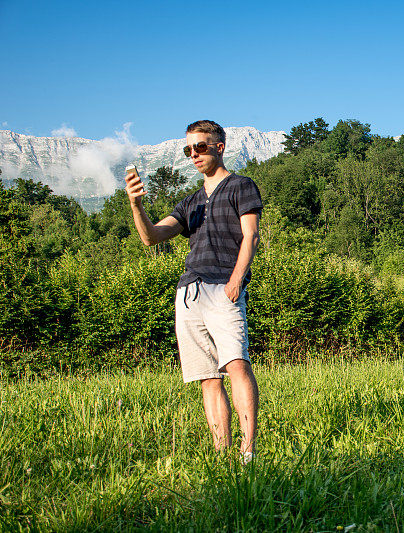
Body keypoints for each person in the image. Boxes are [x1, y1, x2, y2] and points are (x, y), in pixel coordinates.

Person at [125, 120, 261, 462]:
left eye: (200, 146)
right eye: (189, 149)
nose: (194, 154)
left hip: (223, 289)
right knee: (207, 378)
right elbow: (151, 237)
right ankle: (222, 456)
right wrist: (137, 206)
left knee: (236, 365)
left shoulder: (241, 186)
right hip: (188, 294)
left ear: (219, 146)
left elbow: (251, 236)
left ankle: (248, 454)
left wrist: (235, 281)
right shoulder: (191, 202)